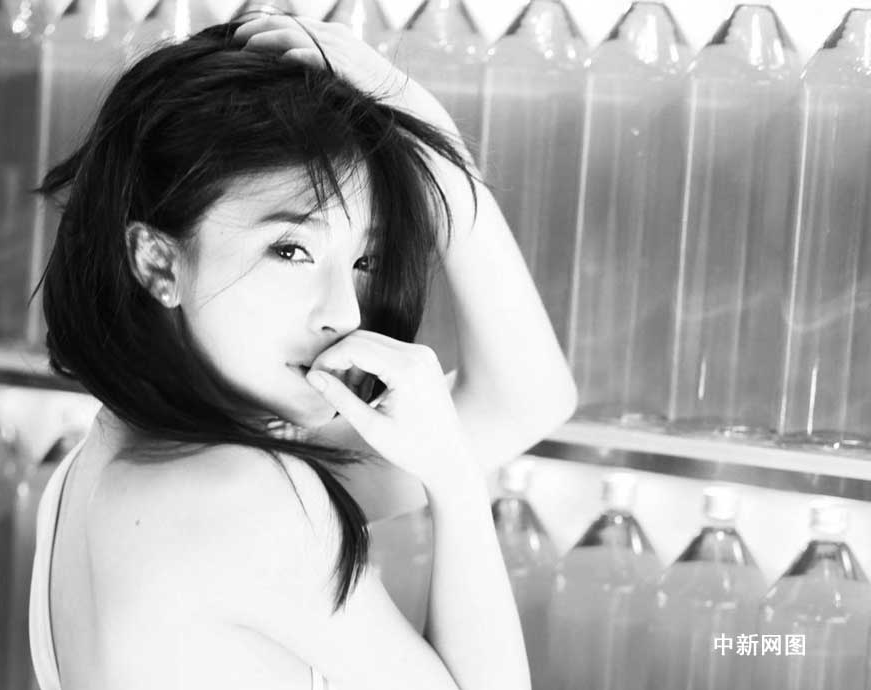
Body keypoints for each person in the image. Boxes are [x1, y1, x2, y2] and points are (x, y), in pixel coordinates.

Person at [28, 12, 578, 690]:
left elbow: (528, 398)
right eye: (291, 250)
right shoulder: (245, 500)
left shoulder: (96, 470)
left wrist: (416, 118)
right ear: (157, 262)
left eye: (363, 260)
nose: (345, 312)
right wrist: (457, 486)